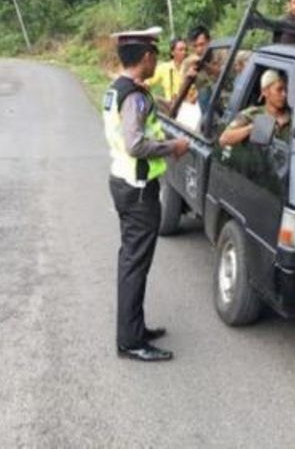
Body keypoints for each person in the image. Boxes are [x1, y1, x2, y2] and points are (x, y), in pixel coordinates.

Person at [103, 39, 190, 362]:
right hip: (138, 188)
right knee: (134, 265)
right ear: (146, 57)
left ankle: (135, 329)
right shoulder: (135, 97)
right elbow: (135, 144)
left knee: (132, 261)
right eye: (154, 56)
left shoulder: (119, 88)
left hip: (124, 181)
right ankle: (130, 342)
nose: (157, 61)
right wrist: (173, 148)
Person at [219, 69, 291, 147]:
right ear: (265, 92)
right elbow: (224, 139)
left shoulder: (293, 116)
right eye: (279, 90)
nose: (284, 94)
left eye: (286, 90)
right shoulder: (253, 114)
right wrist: (252, 128)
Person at [145, 38, 187, 103]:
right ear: (172, 52)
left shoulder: (191, 67)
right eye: (181, 50)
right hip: (172, 108)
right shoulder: (164, 68)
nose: (184, 52)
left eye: (185, 49)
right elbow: (147, 83)